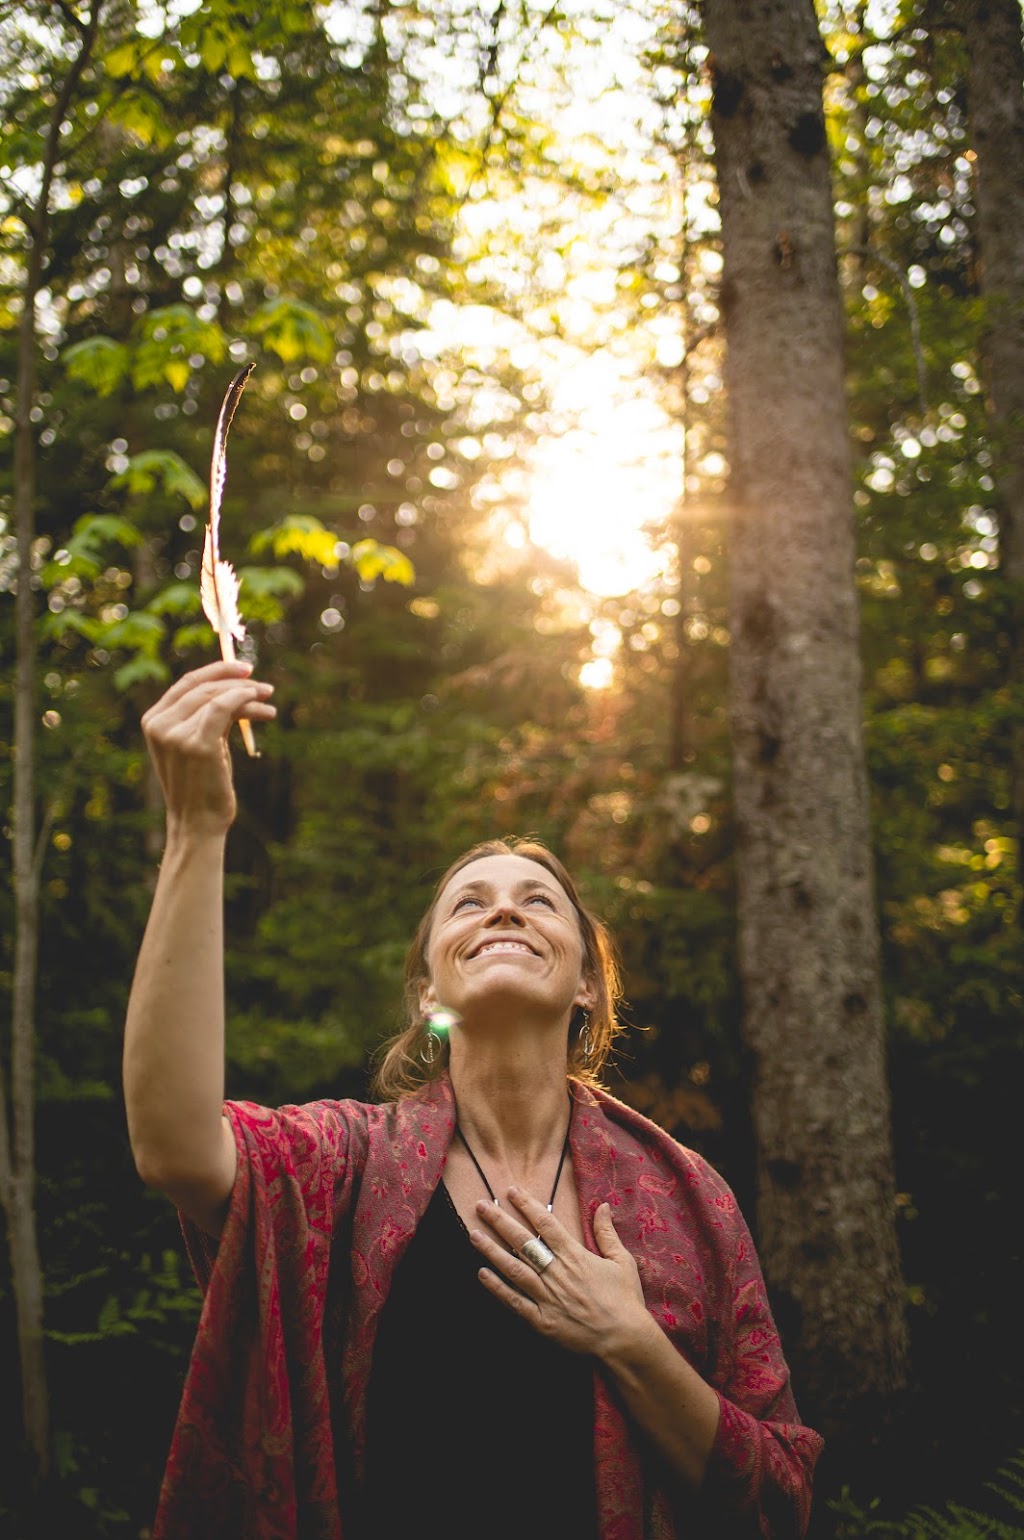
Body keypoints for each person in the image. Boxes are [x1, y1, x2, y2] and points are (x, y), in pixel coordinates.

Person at [123, 659, 824, 1540]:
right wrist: (195, 829)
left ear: (586, 990)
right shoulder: (346, 1162)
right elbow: (174, 1146)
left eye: (539, 902)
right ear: (428, 993)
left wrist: (629, 1340)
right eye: (469, 904)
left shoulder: (691, 1198)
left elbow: (779, 1499)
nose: (503, 913)